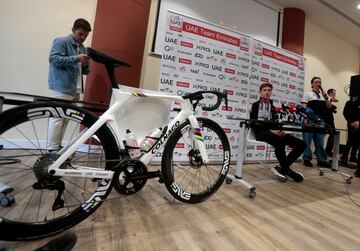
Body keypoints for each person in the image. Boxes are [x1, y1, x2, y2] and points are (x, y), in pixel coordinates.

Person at [47, 18, 92, 152]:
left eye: (86, 35)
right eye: (80, 34)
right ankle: (51, 149)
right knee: (57, 117)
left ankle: (58, 146)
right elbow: (53, 59)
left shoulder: (83, 48)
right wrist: (77, 58)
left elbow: (84, 71)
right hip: (62, 86)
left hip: (76, 88)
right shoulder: (62, 41)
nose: (83, 37)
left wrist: (85, 65)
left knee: (66, 118)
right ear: (73, 30)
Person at [250, 83, 306, 182]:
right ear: (260, 92)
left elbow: (274, 123)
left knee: (302, 144)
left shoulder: (272, 106)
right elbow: (254, 123)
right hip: (261, 133)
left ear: (271, 92)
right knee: (279, 142)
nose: (267, 92)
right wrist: (272, 131)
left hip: (275, 133)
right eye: (264, 90)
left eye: (269, 90)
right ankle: (288, 171)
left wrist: (279, 130)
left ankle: (283, 168)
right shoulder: (256, 105)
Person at [301, 77, 332, 168]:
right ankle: (307, 159)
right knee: (307, 140)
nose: (318, 83)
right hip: (310, 119)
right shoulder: (308, 94)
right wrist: (305, 118)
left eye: (320, 82)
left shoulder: (324, 95)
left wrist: (326, 97)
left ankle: (322, 160)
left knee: (320, 142)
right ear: (312, 84)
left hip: (320, 121)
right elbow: (304, 107)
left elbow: (329, 107)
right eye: (316, 82)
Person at [341, 94, 360, 177]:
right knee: (350, 140)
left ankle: (353, 156)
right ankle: (344, 157)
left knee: (357, 141)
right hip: (351, 124)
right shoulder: (349, 103)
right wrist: (351, 122)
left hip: (358, 125)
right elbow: (345, 113)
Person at [324, 88, 338, 156]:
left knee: (332, 134)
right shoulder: (327, 98)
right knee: (321, 134)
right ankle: (327, 151)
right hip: (326, 119)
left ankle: (328, 150)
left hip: (330, 119)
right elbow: (336, 99)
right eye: (334, 93)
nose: (335, 94)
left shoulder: (329, 99)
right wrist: (332, 97)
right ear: (329, 93)